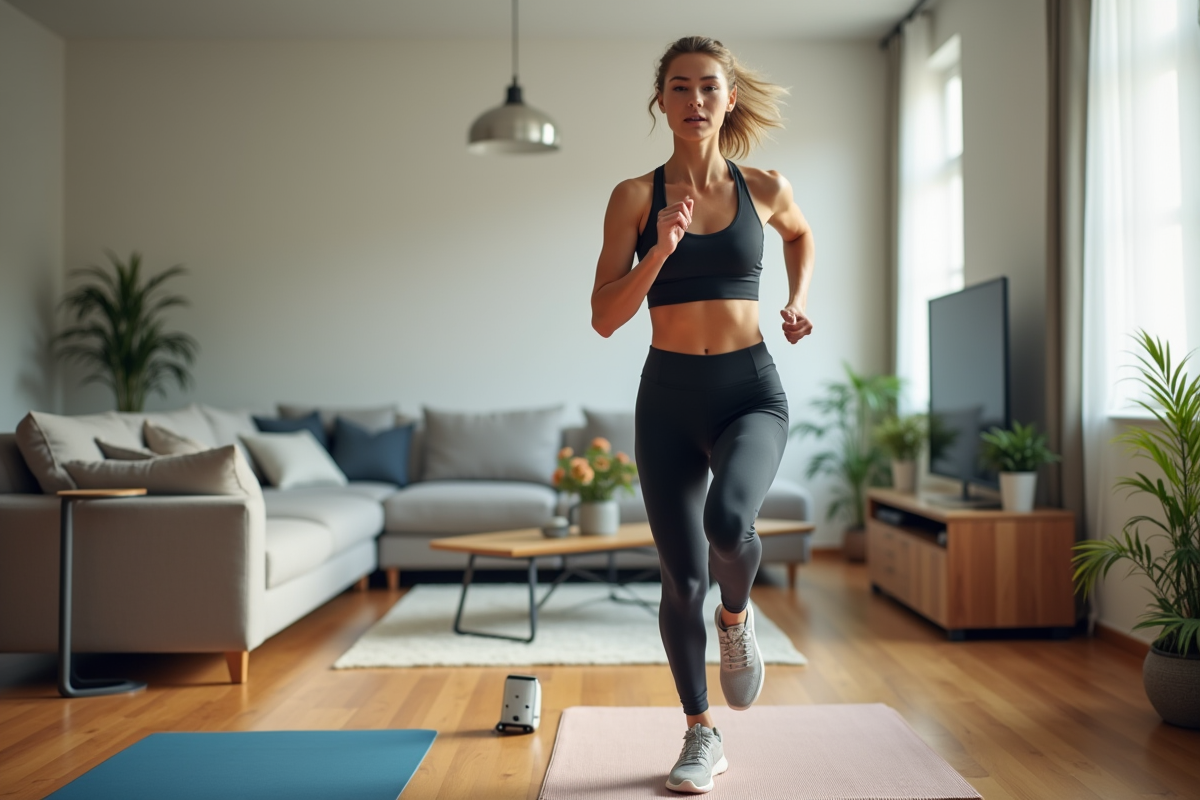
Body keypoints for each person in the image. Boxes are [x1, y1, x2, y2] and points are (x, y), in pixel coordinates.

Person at [590, 36, 815, 794]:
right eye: (679, 88)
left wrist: (797, 300)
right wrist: (658, 251)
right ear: (662, 102)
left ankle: (738, 617)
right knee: (680, 580)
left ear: (728, 99)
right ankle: (699, 733)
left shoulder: (765, 186)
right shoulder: (633, 197)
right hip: (668, 398)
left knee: (730, 525)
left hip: (751, 389)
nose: (694, 100)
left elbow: (801, 233)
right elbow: (603, 317)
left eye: (708, 87)